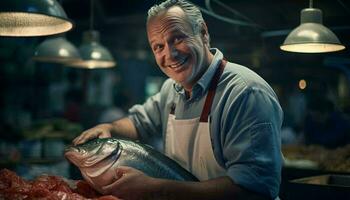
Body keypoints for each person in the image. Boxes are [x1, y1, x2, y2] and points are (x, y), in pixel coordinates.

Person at [73, 0, 283, 199]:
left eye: (177, 39)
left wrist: (156, 189)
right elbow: (139, 123)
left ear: (203, 32)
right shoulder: (171, 90)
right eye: (158, 47)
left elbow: (254, 191)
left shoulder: (244, 93)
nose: (170, 54)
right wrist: (110, 128)